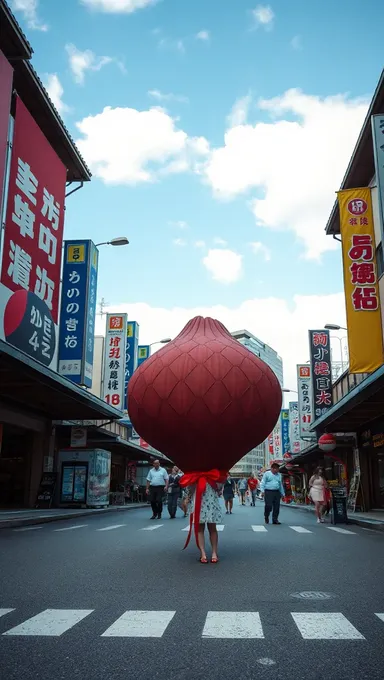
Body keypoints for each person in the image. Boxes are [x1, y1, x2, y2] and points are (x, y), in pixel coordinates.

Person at [185, 480, 222, 564]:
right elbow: (219, 487)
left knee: (199, 529)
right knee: (212, 529)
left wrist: (187, 497)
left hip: (198, 501)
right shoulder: (214, 475)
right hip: (211, 501)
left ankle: (203, 554)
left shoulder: (195, 475)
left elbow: (189, 488)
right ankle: (214, 554)